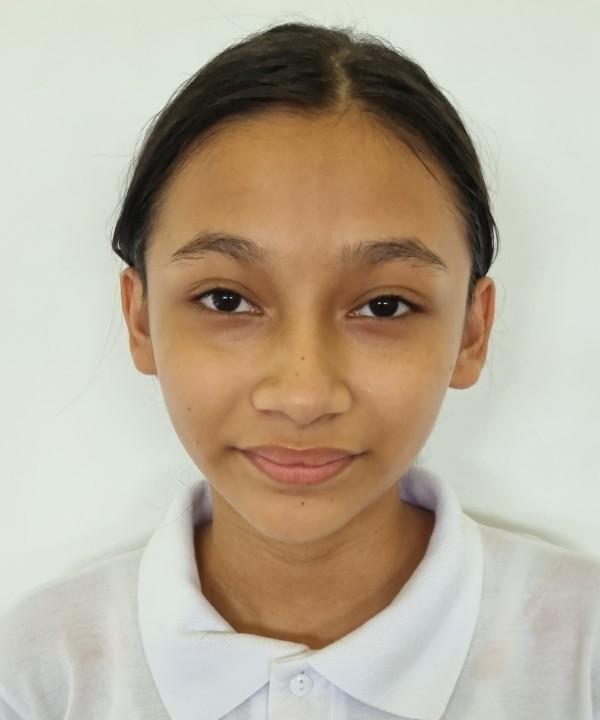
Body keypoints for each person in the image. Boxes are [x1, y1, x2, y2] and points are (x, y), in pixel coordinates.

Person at [1, 19, 599, 720]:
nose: (304, 395)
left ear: (472, 330)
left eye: (384, 306)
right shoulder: (37, 678)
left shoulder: (581, 656)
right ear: (141, 320)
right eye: (226, 300)